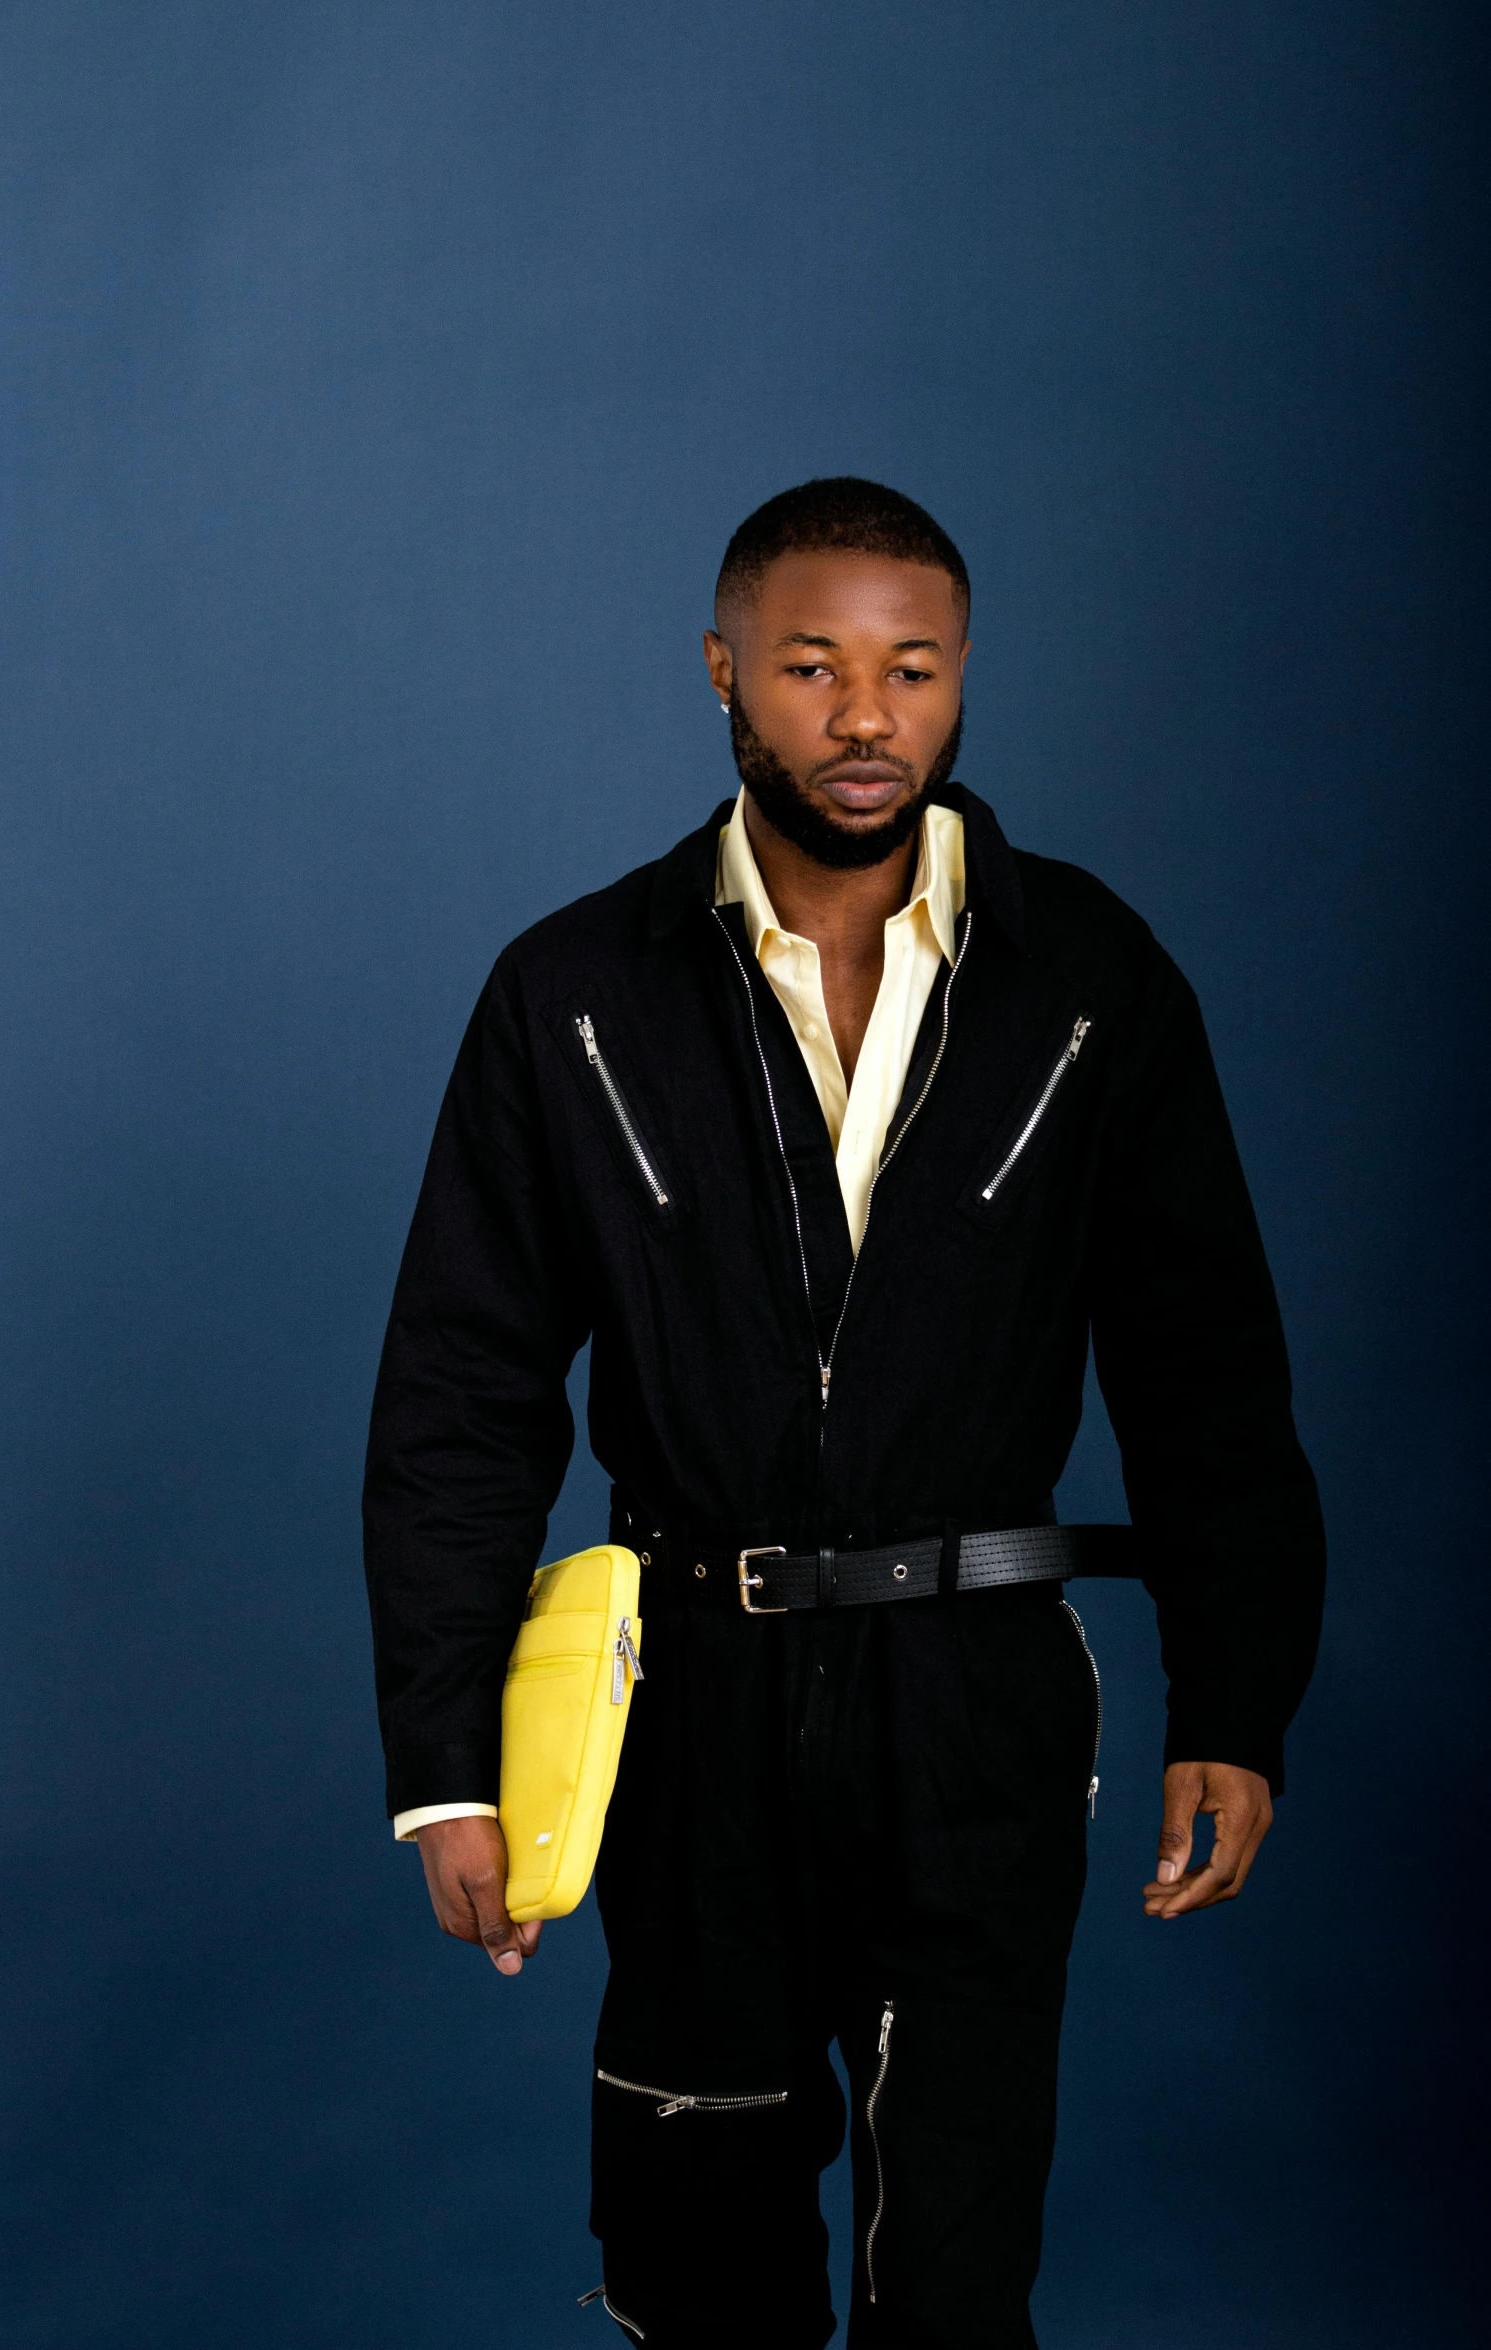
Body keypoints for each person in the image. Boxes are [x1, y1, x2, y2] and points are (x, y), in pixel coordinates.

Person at [362, 477, 1324, 2348]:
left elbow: (1207, 1364)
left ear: (960, 682)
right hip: (688, 1713)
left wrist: (1235, 1696)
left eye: (910, 669)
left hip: (975, 1699)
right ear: (725, 671)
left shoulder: (1087, 983)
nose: (864, 716)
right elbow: (462, 1389)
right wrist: (448, 1760)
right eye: (811, 666)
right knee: (696, 2245)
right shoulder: (570, 994)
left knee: (949, 2271)